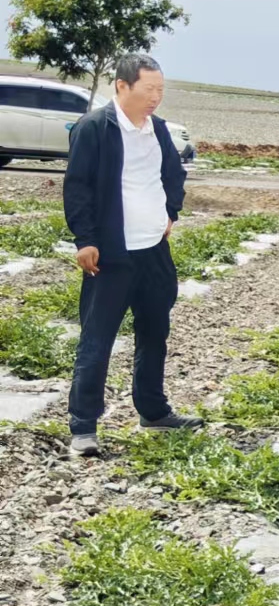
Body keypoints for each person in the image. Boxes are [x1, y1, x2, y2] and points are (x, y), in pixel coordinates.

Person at [61, 53, 201, 456]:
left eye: (160, 89)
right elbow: (78, 187)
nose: (156, 97)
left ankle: (153, 412)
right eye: (148, 89)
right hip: (111, 254)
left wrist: (170, 212)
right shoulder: (94, 129)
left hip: (154, 252)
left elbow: (172, 174)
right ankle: (84, 427)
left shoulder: (156, 129)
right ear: (122, 86)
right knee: (97, 338)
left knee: (155, 332)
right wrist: (85, 239)